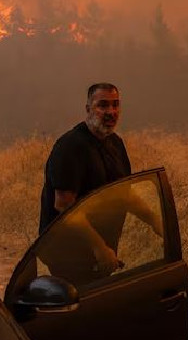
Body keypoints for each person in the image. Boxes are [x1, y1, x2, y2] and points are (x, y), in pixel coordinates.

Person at [38, 83, 131, 283]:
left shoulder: (116, 144)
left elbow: (123, 193)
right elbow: (64, 206)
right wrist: (99, 247)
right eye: (103, 105)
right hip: (70, 255)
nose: (111, 112)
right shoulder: (70, 146)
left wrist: (156, 222)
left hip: (102, 254)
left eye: (115, 105)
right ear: (88, 109)